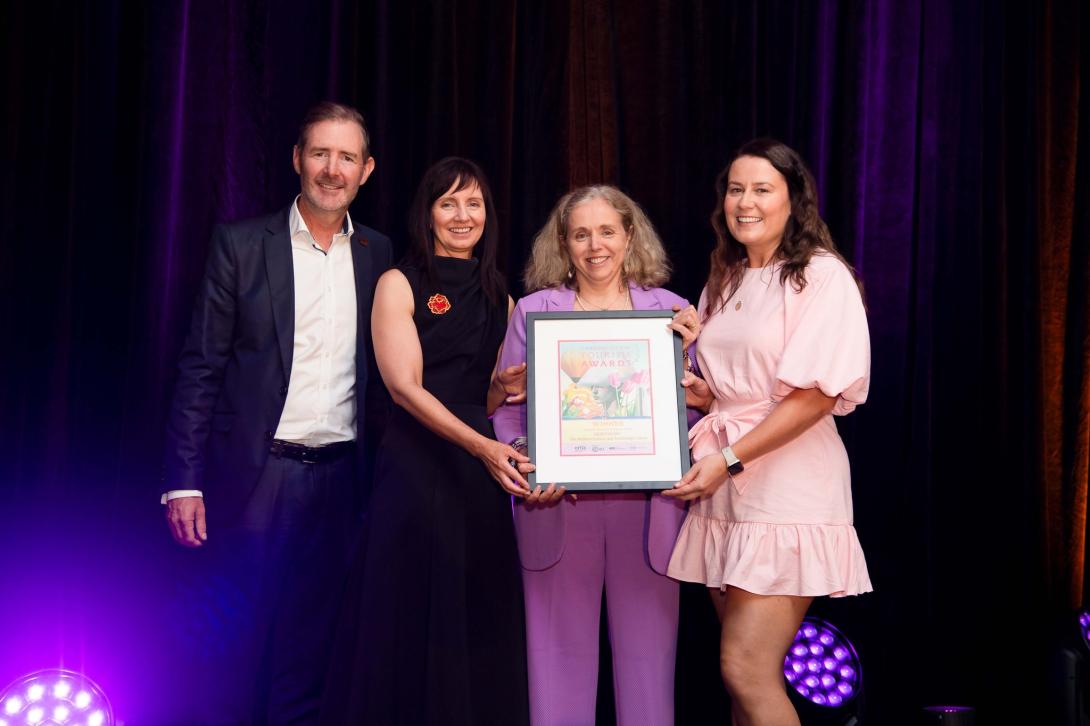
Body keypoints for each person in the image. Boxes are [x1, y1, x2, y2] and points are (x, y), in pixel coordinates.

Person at [160, 101, 391, 724]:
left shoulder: (378, 254)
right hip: (258, 475)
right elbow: (201, 365)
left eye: (347, 157)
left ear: (366, 170)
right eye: (320, 152)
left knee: (313, 645)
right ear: (297, 158)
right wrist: (184, 480)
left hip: (342, 479)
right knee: (234, 640)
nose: (331, 169)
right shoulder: (241, 244)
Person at [664, 138, 872, 725]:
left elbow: (815, 395)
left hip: (785, 484)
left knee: (746, 668)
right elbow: (737, 386)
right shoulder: (723, 281)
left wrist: (728, 457)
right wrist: (699, 391)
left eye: (762, 189)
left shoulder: (821, 277)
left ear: (793, 200)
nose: (745, 202)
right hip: (727, 485)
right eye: (735, 189)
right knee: (741, 683)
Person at [322, 157, 531, 724]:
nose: (463, 216)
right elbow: (406, 389)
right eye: (449, 203)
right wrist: (486, 445)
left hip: (476, 474)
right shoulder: (401, 282)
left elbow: (480, 396)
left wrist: (500, 389)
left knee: (474, 607)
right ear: (428, 214)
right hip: (417, 464)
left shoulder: (501, 298)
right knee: (408, 606)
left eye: (474, 203)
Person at [492, 185, 701, 726]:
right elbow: (510, 408)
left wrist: (691, 423)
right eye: (581, 233)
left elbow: (699, 410)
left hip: (652, 509)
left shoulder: (674, 313)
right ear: (563, 242)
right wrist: (522, 457)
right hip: (558, 505)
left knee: (647, 679)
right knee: (555, 671)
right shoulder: (535, 312)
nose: (595, 246)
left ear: (630, 235)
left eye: (607, 231)